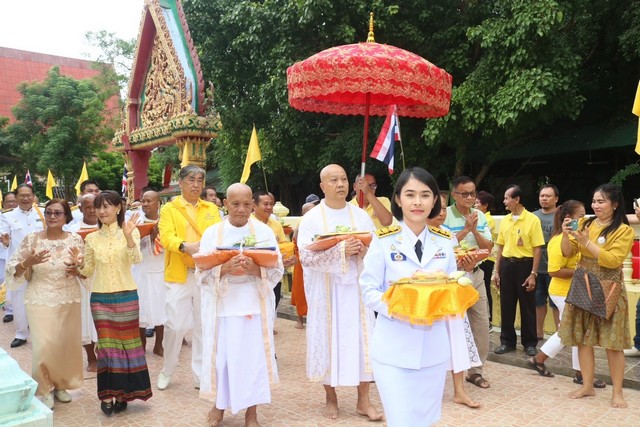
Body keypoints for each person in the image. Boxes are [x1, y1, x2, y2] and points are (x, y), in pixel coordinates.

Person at [360, 168, 479, 426]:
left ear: (435, 201)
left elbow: (449, 288)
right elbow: (368, 290)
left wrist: (462, 277)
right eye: (410, 194)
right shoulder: (382, 240)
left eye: (425, 195)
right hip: (393, 348)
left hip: (433, 351)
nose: (417, 202)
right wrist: (399, 307)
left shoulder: (445, 241)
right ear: (398, 199)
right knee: (402, 419)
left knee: (425, 419)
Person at [297, 164, 382, 421]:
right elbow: (306, 256)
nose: (340, 184)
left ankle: (363, 400)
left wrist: (364, 250)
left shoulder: (361, 216)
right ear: (322, 186)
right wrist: (341, 251)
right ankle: (331, 397)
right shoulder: (312, 218)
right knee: (328, 340)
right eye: (333, 180)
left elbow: (377, 250)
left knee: (363, 341)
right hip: (328, 291)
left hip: (357, 291)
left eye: (344, 179)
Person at [198, 183, 283, 427]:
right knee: (222, 360)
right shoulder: (212, 233)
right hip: (223, 306)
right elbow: (200, 271)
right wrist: (224, 269)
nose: (241, 210)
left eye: (247, 204)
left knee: (252, 360)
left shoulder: (264, 233)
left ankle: (251, 414)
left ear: (253, 205)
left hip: (254, 305)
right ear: (225, 204)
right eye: (235, 204)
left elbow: (276, 270)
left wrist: (255, 269)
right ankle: (219, 406)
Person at [70, 190, 152, 416]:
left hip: (127, 296)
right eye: (98, 207)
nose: (102, 211)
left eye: (107, 206)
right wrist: (78, 263)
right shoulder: (91, 238)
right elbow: (87, 271)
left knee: (127, 345)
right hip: (100, 298)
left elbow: (136, 260)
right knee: (106, 346)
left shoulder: (130, 231)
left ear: (118, 208)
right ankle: (107, 394)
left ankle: (123, 393)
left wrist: (127, 237)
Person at [558, 184, 634, 408]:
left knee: (614, 343)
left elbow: (613, 260)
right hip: (584, 284)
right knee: (583, 339)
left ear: (615, 204)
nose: (595, 205)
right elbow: (567, 252)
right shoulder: (585, 223)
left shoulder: (623, 230)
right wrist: (565, 234)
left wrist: (587, 243)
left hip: (609, 287)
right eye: (594, 201)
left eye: (601, 201)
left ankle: (617, 392)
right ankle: (587, 385)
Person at [6, 199, 83, 409]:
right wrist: (27, 263)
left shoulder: (75, 239)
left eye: (58, 213)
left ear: (67, 217)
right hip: (39, 297)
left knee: (63, 345)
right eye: (48, 212)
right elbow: (13, 270)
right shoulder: (32, 240)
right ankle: (45, 388)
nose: (52, 217)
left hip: (68, 298)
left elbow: (84, 271)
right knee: (44, 346)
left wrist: (78, 268)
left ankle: (59, 385)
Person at [527, 201, 607, 386]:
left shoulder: (577, 238)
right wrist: (584, 272)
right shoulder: (558, 241)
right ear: (567, 219)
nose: (584, 218)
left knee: (572, 331)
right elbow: (554, 271)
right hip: (564, 293)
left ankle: (542, 361)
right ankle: (579, 373)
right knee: (573, 331)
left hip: (575, 292)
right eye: (580, 216)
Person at [157, 165, 222, 390]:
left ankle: (200, 375)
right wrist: (185, 246)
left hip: (205, 273)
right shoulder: (169, 209)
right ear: (181, 181)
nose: (196, 185)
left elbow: (218, 235)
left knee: (203, 326)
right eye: (191, 180)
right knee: (175, 326)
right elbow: (166, 236)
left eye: (200, 180)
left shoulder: (212, 209)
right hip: (179, 274)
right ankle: (168, 368)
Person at [429, 193, 481, 408]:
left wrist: (466, 266)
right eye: (437, 208)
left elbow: (456, 267)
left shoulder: (448, 235)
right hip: (428, 299)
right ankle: (428, 392)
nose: (441, 213)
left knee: (457, 342)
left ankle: (459, 391)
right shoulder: (415, 235)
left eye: (444, 208)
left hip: (450, 297)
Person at [444, 176, 492, 390]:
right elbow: (442, 247)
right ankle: (448, 368)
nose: (470, 197)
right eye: (465, 194)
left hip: (476, 274)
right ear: (454, 194)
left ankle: (476, 371)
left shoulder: (479, 215)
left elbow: (488, 247)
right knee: (451, 325)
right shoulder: (443, 214)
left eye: (473, 193)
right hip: (452, 278)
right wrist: (464, 229)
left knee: (481, 323)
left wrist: (474, 230)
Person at [493, 184, 544, 357]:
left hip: (525, 265)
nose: (504, 201)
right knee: (506, 304)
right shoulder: (506, 220)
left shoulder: (532, 220)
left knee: (527, 305)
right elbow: (500, 247)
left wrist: (533, 274)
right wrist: (496, 271)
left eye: (507, 198)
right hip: (507, 265)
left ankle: (530, 343)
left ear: (517, 199)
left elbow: (538, 249)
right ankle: (507, 341)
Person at [0, 184, 45, 347]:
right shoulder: (7, 216)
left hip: (41, 262)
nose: (25, 198)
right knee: (19, 299)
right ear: (16, 198)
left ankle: (41, 331)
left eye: (28, 195)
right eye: (22, 196)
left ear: (33, 196)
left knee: (42, 297)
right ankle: (21, 333)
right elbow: (4, 236)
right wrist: (5, 241)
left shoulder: (43, 213)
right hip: (20, 264)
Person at [67, 193, 99, 372]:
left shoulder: (108, 225)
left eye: (96, 205)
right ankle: (91, 358)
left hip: (104, 278)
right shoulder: (73, 230)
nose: (93, 210)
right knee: (86, 319)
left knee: (103, 320)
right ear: (80, 209)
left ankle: (103, 355)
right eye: (88, 206)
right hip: (82, 280)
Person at [133, 190, 166, 356]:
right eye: (143, 201)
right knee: (141, 309)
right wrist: (148, 238)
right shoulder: (135, 221)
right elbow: (129, 247)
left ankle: (159, 344)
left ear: (158, 203)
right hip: (141, 270)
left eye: (149, 201)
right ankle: (142, 344)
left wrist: (157, 238)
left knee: (162, 308)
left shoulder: (166, 221)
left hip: (161, 270)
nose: (145, 204)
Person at [252, 190, 296, 312]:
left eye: (271, 204)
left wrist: (286, 260)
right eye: (265, 204)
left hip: (274, 272)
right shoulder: (248, 223)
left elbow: (283, 245)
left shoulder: (276, 224)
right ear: (254, 205)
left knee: (274, 301)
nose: (269, 207)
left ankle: (269, 328)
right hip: (254, 272)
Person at [533, 184, 560, 339]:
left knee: (556, 302)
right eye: (542, 195)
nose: (544, 198)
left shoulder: (561, 215)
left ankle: (559, 335)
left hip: (556, 268)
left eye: (548, 196)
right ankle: (538, 332)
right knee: (538, 301)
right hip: (537, 267)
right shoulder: (533, 216)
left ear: (556, 199)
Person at [290, 201, 316, 329]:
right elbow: (295, 239)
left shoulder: (318, 223)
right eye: (307, 211)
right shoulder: (301, 224)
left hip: (315, 259)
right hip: (301, 260)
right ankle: (299, 318)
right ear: (303, 213)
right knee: (300, 289)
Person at [475, 191, 496, 326]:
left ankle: (488, 319)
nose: (475, 205)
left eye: (477, 203)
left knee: (485, 289)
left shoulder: (487, 219)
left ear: (485, 206)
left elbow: (486, 241)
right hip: (476, 257)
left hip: (486, 259)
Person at [1, 192, 18, 323]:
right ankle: (9, 310)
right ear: (3, 203)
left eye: (13, 201)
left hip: (13, 254)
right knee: (5, 284)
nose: (11, 204)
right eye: (8, 201)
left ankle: (14, 310)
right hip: (4, 254)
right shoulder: (4, 216)